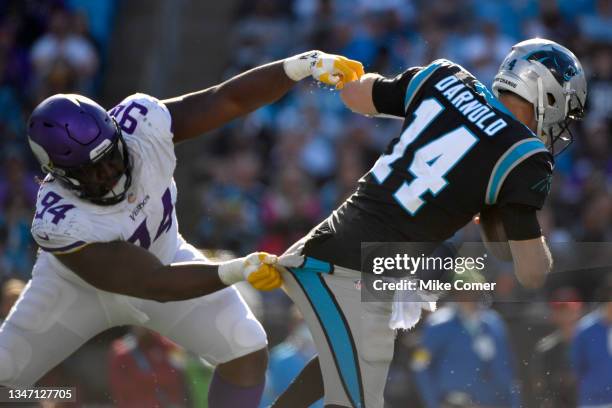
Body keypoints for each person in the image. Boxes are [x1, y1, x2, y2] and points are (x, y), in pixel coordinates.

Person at [0, 49, 364, 408]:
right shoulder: (59, 219)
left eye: (110, 156)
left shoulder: (141, 125)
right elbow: (152, 283)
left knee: (245, 346)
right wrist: (237, 269)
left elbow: (229, 100)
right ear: (60, 175)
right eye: (90, 171)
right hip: (79, 291)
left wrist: (297, 67)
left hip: (167, 257)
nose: (108, 173)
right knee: (6, 374)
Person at [273, 38, 587, 408]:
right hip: (347, 272)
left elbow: (355, 96)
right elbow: (531, 271)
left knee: (340, 367)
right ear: (547, 95)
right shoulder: (525, 155)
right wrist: (498, 207)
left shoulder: (445, 76)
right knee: (358, 393)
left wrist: (342, 72)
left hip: (328, 249)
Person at [412, 300, 519, 408]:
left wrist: (514, 403)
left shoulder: (494, 322)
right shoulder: (437, 322)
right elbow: (420, 365)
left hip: (490, 403)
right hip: (453, 403)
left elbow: (507, 369)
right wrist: (434, 403)